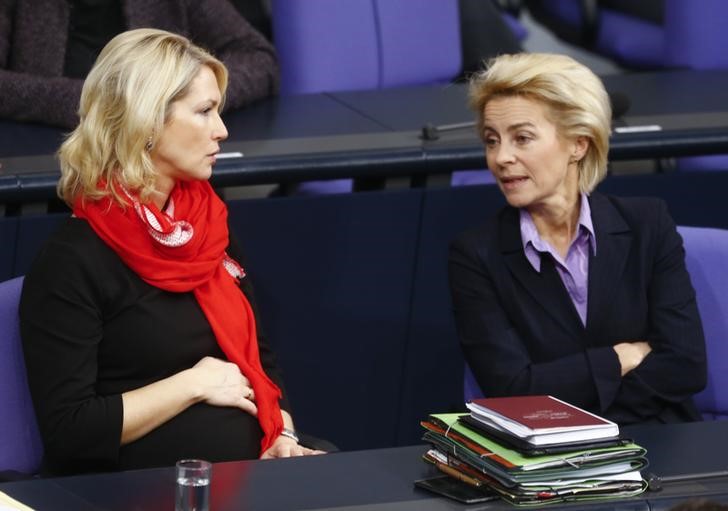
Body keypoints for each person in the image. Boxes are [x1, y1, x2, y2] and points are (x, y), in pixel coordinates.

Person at [19, 28, 322, 476]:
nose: (222, 130)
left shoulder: (207, 226)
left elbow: (258, 355)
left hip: (249, 464)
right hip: (132, 488)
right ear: (146, 123)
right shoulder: (72, 261)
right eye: (204, 112)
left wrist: (283, 434)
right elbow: (71, 430)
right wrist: (193, 385)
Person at [449, 52, 707, 424]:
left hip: (658, 443)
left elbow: (685, 365)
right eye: (492, 140)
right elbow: (512, 390)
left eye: (522, 138)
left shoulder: (647, 223)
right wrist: (619, 358)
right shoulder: (476, 255)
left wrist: (581, 411)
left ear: (578, 144)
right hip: (549, 458)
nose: (501, 157)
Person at [0, 0, 278, 128]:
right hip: (51, 162)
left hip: (160, 167)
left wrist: (183, 97)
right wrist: (95, 100)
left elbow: (258, 58)